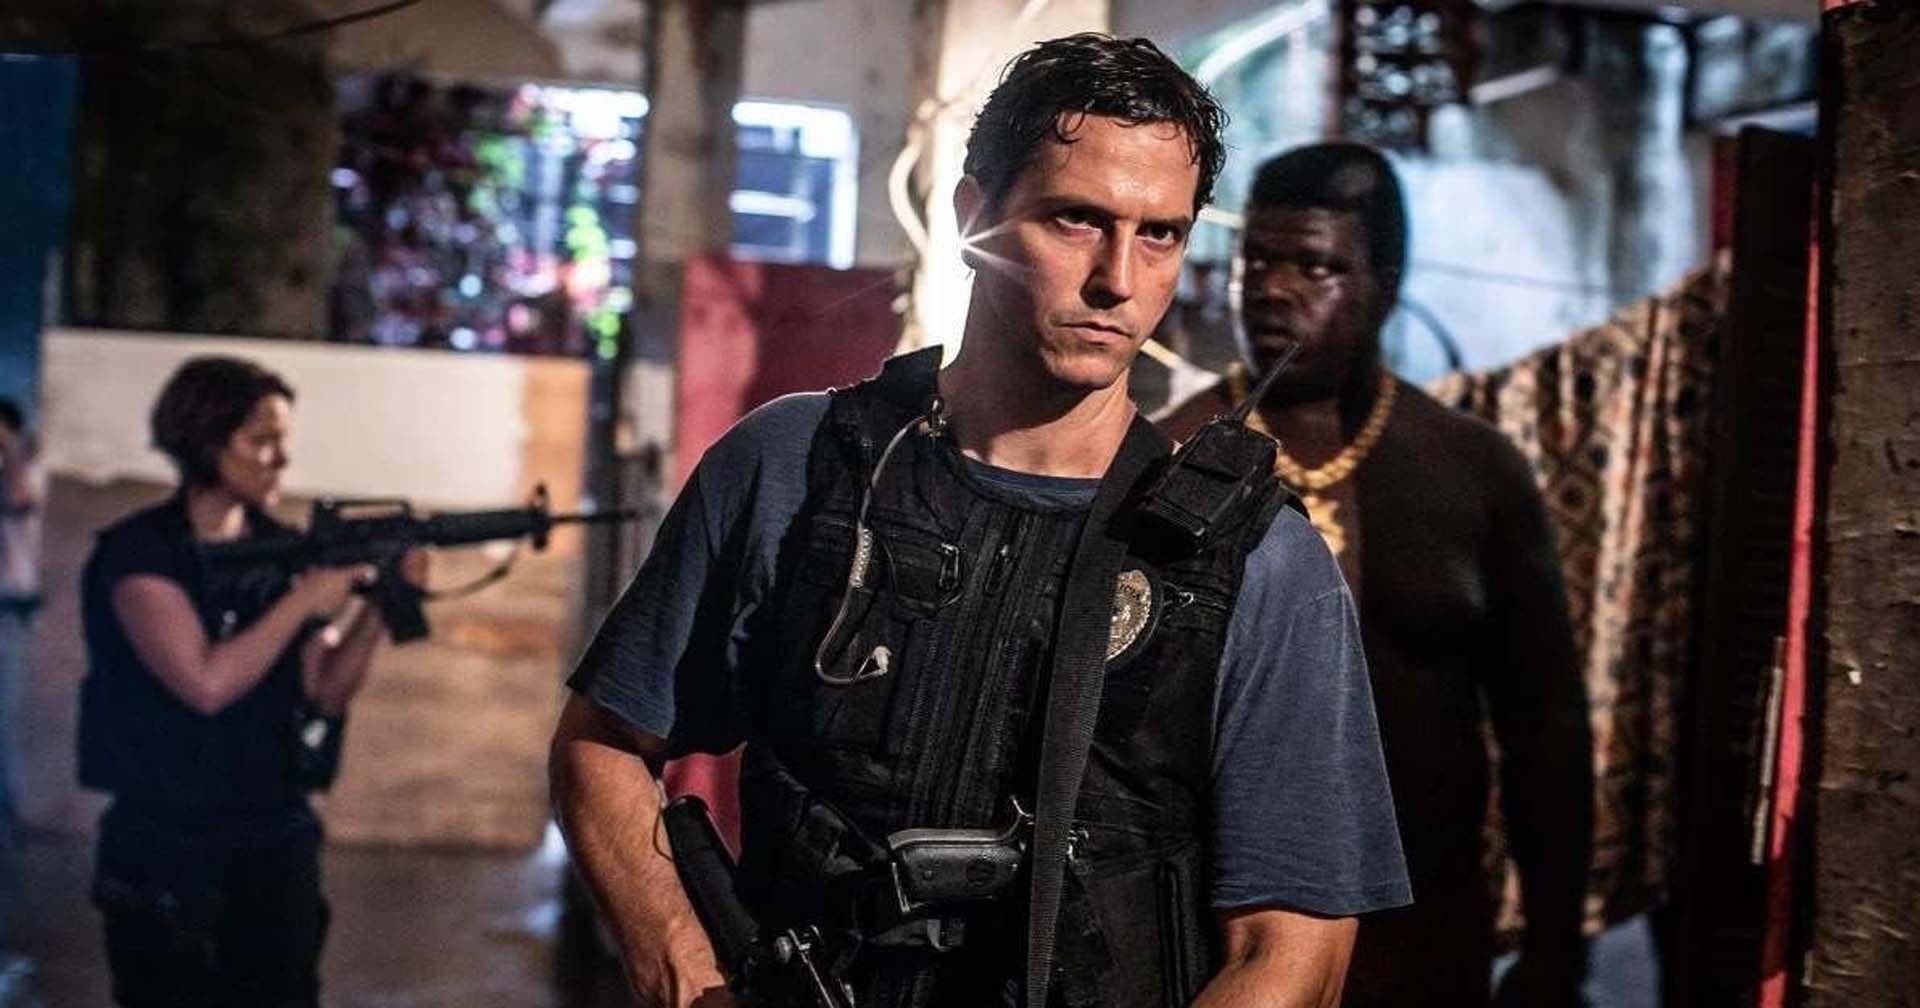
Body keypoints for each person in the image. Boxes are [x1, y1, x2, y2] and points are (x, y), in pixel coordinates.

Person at [552, 33, 1409, 1008]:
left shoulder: (1255, 560)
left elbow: (1295, 949)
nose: (1118, 279)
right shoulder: (795, 466)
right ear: (973, 216)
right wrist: (684, 968)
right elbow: (603, 744)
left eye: (1160, 235)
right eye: (1076, 219)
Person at [1157, 142, 1594, 1007]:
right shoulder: (1169, 460)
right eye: (1257, 261)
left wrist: (1555, 948)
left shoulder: (1473, 471)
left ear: (1383, 284)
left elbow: (1545, 727)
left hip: (1428, 938)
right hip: (1213, 937)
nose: (1273, 289)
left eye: (1316, 266)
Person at [77, 356, 425, 1007]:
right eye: (261, 440)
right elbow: (205, 685)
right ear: (206, 442)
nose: (280, 459)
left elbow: (325, 688)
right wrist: (304, 600)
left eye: (282, 440)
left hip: (273, 834)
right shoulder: (140, 554)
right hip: (167, 842)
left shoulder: (281, 546)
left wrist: (382, 605)